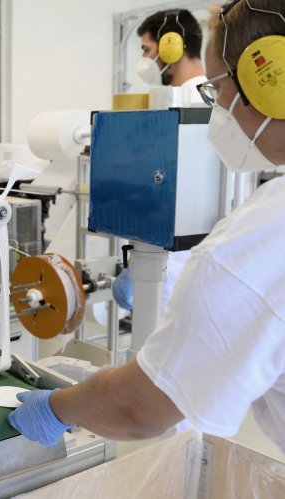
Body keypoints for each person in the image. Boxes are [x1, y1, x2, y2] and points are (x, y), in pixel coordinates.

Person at [9, 0, 285, 452]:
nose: (218, 109)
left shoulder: (263, 237)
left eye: (217, 89)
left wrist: (56, 408)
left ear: (270, 80)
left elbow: (140, 408)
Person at [113, 9, 209, 310]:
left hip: (176, 255)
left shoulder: (186, 103)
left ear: (172, 45)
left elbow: (162, 178)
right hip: (188, 248)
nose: (144, 60)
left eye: (146, 50)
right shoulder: (209, 94)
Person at [136, 8, 208, 107]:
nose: (144, 57)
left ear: (171, 48)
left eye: (146, 49)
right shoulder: (207, 92)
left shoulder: (191, 101)